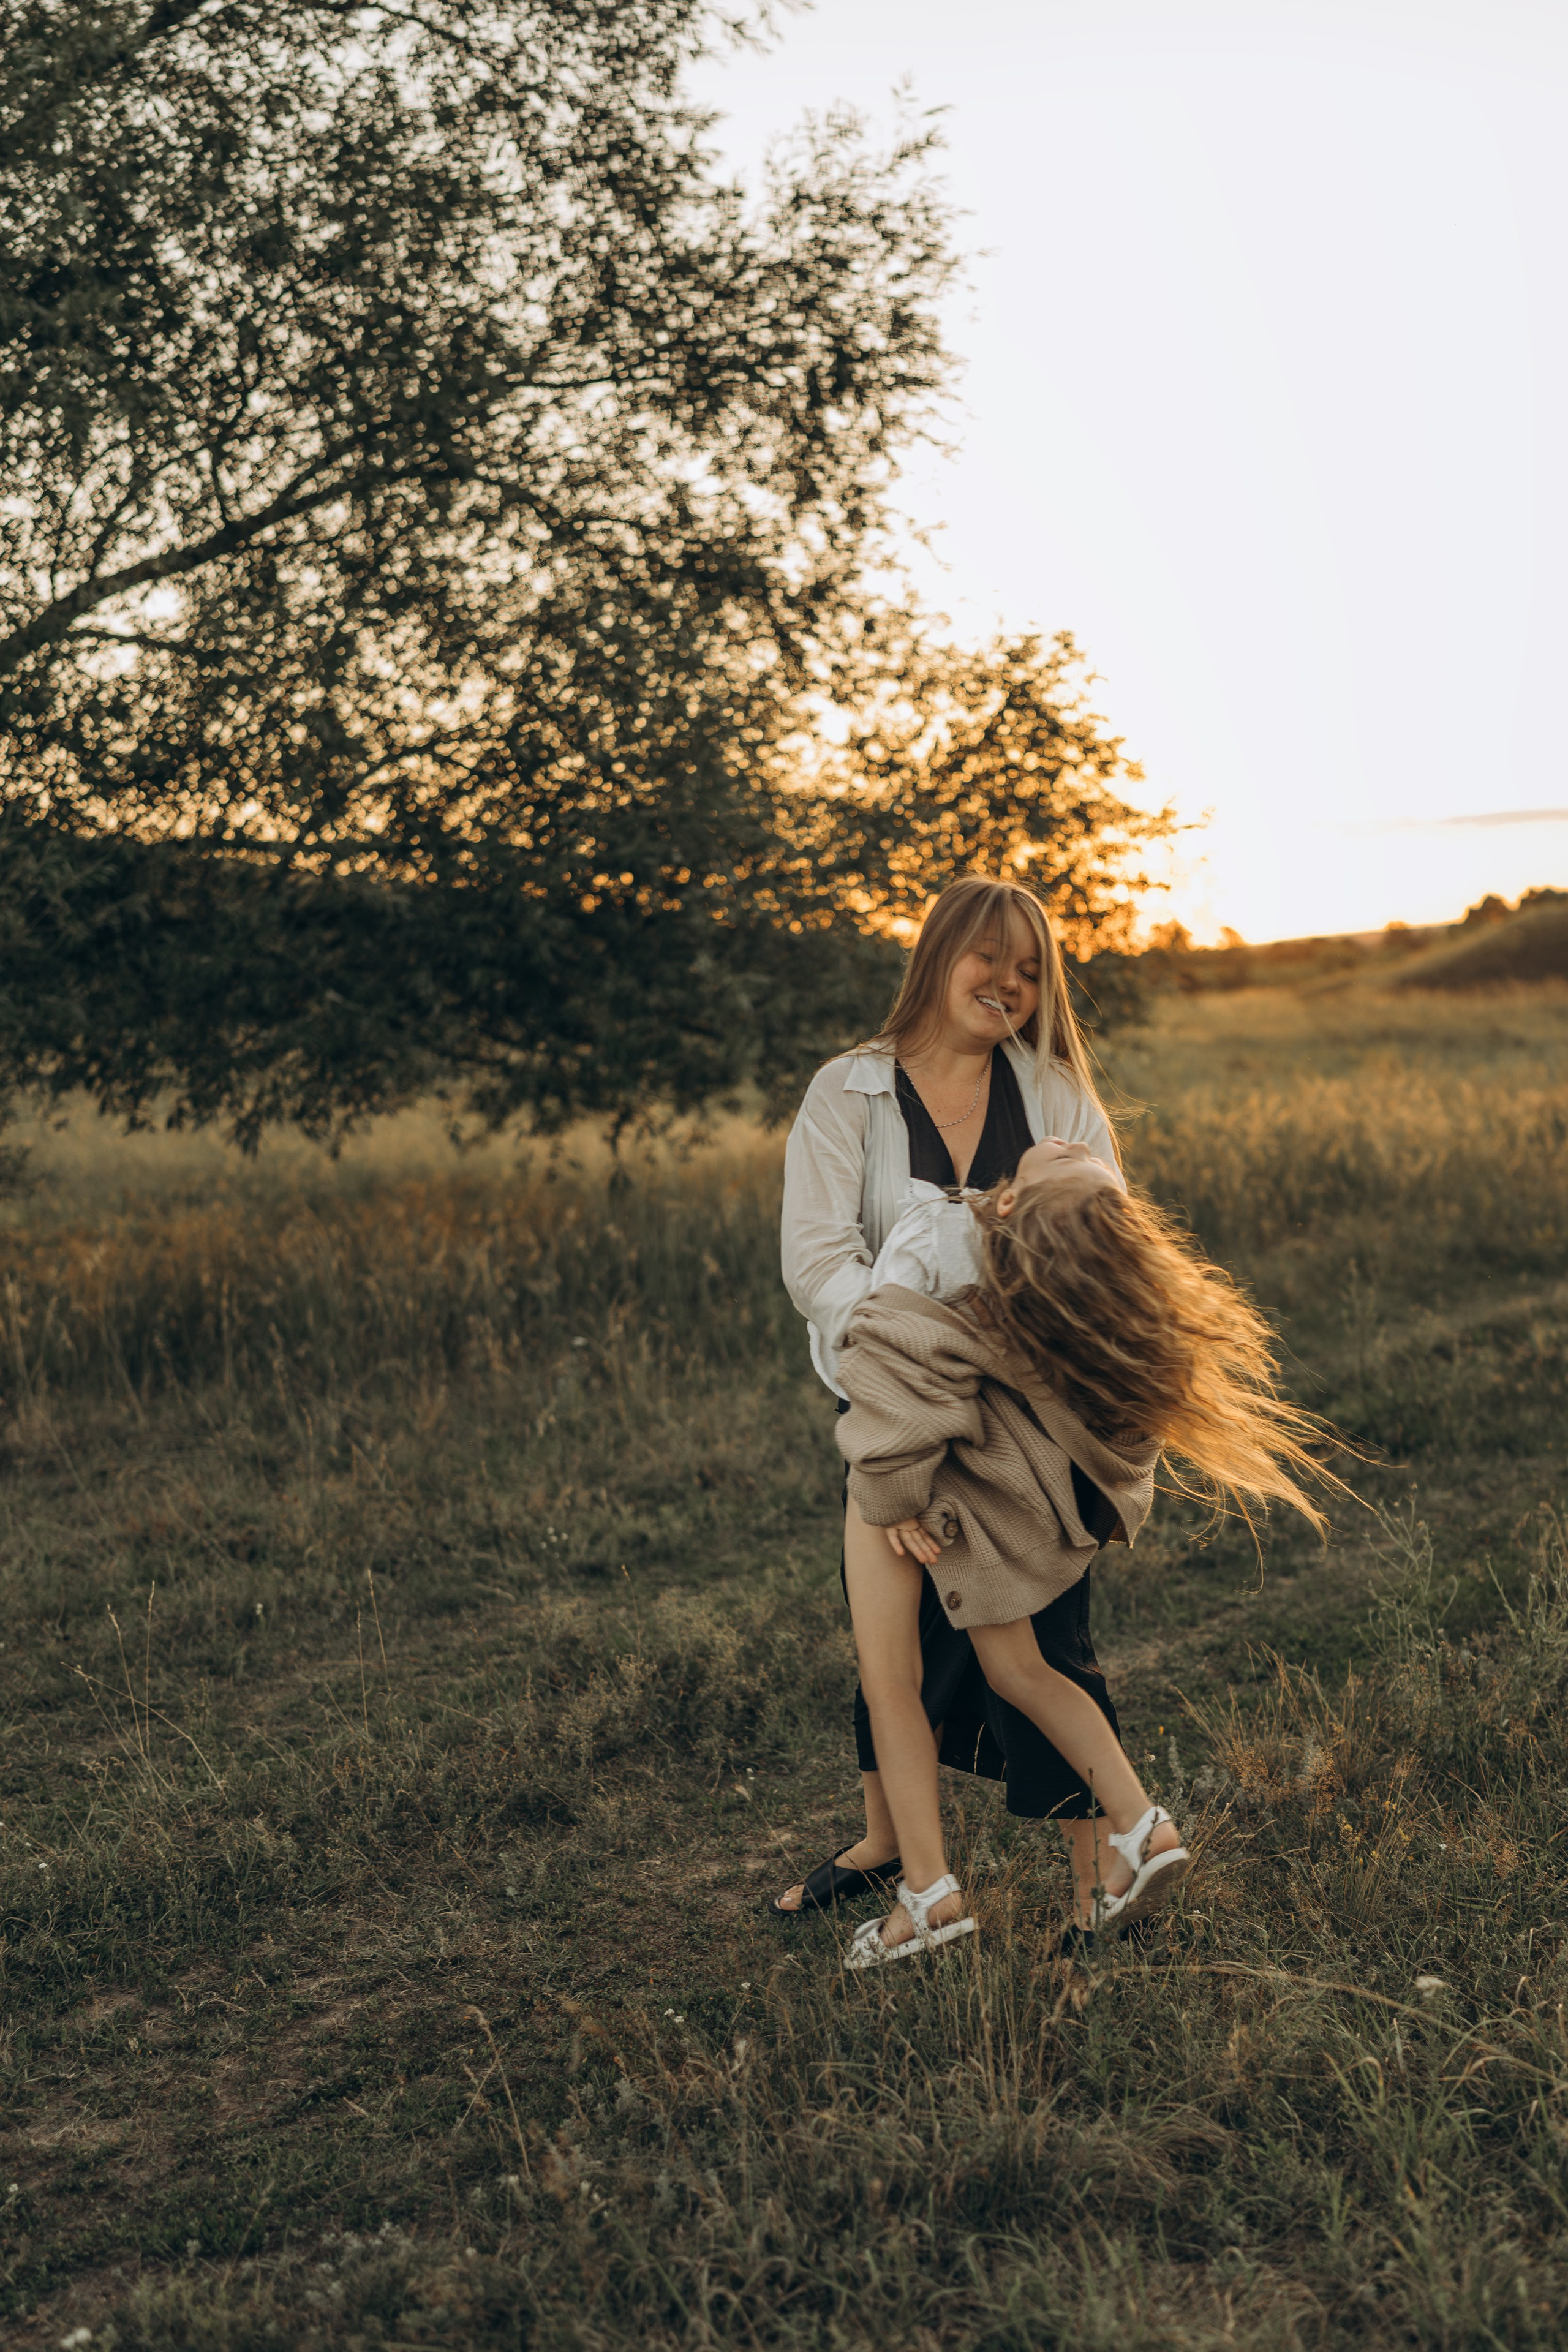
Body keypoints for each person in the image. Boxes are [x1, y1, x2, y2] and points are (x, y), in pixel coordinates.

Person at [834, 1136, 1332, 1967]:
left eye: (1069, 1164)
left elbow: (886, 1357)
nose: (1073, 1143)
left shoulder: (943, 1234)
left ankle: (929, 1895)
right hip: (996, 1501)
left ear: (1006, 1204)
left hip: (913, 1489)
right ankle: (1140, 1824)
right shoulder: (1071, 1289)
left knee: (893, 1682)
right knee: (1020, 1672)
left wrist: (891, 1494)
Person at [774, 875, 1126, 1930]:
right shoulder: (848, 1092)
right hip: (897, 1404)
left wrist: (1002, 1352)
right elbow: (818, 1263)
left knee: (1041, 1639)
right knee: (891, 1635)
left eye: (1030, 971)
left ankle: (1095, 1879)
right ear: (937, 956)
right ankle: (889, 1847)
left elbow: (1101, 1246)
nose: (1007, 985)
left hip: (1030, 1422)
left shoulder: (1056, 1099)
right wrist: (911, 1369)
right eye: (988, 959)